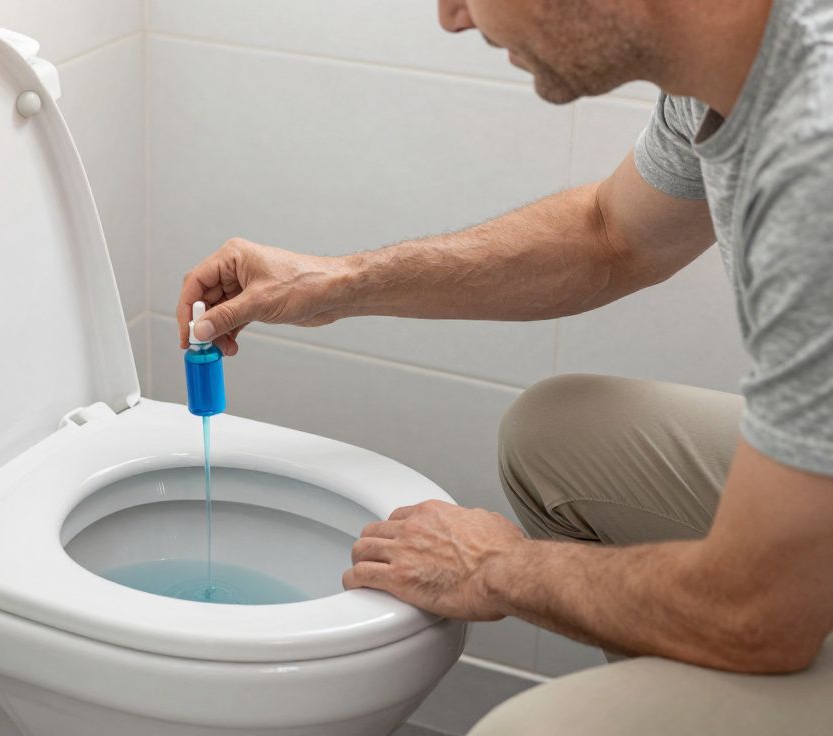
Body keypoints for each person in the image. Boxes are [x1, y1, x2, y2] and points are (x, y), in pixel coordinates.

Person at [176, 0, 833, 732]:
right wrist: (338, 283)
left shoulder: (815, 150)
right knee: (562, 433)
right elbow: (609, 235)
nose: (452, 17)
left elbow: (757, 611)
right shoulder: (723, 69)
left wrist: (494, 567)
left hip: (766, 606)